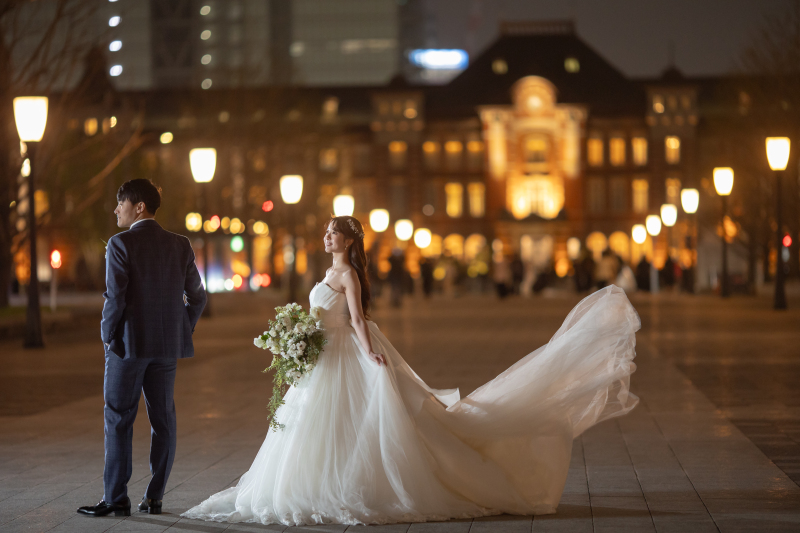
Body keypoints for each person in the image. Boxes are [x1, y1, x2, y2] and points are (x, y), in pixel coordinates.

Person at [183, 215, 639, 527]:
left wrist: (369, 354)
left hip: (345, 350)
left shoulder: (348, 277)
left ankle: (345, 483)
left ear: (348, 241)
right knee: (320, 423)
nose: (325, 239)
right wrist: (299, 334)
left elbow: (358, 320)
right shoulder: (330, 271)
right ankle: (328, 478)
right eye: (325, 234)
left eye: (332, 235)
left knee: (342, 419)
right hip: (324, 354)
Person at [78, 179, 207, 518]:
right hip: (166, 347)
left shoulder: (121, 243)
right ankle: (155, 496)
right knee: (163, 418)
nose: (116, 209)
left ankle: (116, 498)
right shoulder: (180, 244)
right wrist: (182, 328)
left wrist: (107, 334)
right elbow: (198, 295)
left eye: (120, 202)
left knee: (119, 417)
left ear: (138, 207)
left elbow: (115, 297)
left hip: (127, 346)